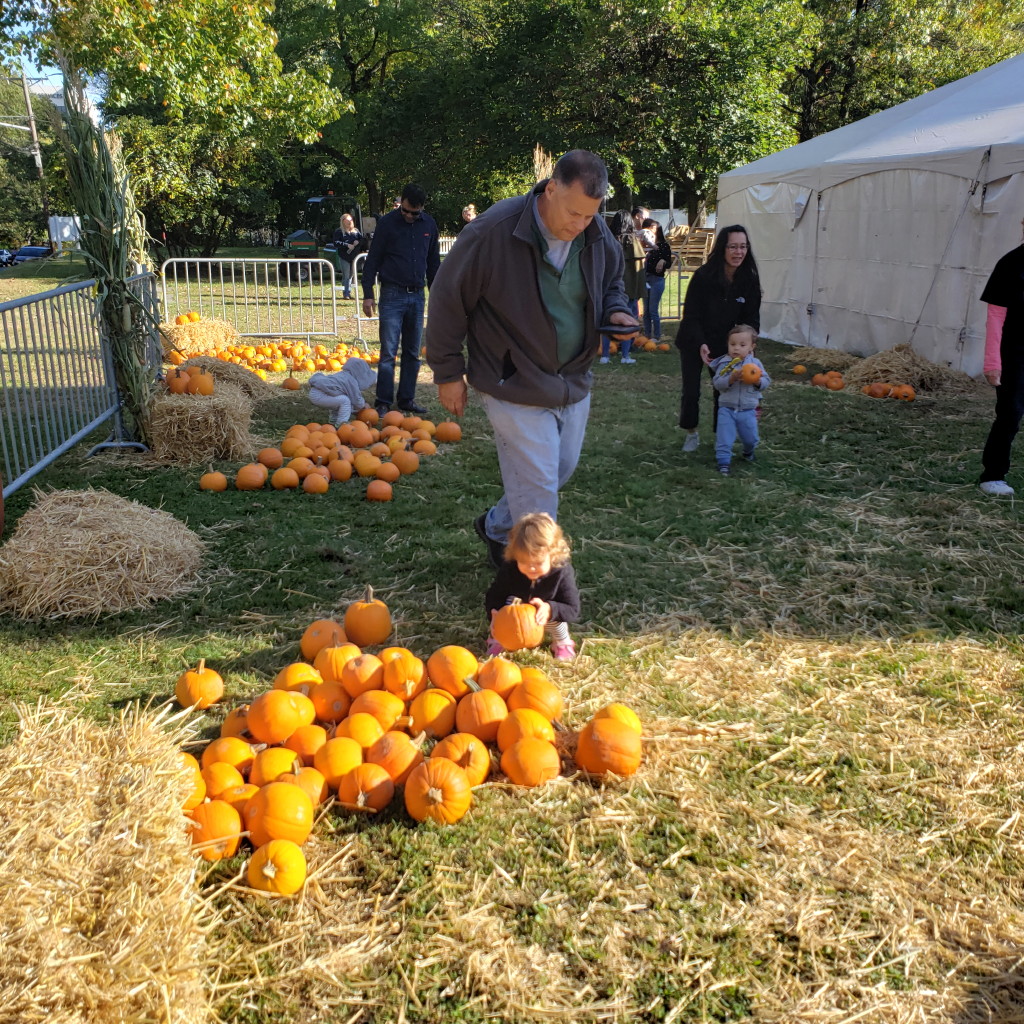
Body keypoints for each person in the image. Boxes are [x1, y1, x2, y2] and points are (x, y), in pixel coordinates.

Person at [424, 149, 636, 569]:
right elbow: (448, 299)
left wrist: (615, 309)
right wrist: (448, 372)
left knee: (559, 468)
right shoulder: (493, 231)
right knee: (539, 491)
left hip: (570, 378)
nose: (579, 226)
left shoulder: (596, 234)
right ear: (551, 188)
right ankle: (540, 585)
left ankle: (497, 526)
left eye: (589, 216)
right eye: (573, 213)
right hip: (511, 377)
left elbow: (613, 279)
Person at [676, 224, 761, 453]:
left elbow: (751, 319)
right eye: (732, 246)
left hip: (728, 344)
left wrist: (746, 344)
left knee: (725, 390)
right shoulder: (704, 277)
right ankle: (691, 432)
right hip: (695, 339)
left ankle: (722, 435)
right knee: (691, 390)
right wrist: (700, 343)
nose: (738, 252)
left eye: (743, 247)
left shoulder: (749, 280)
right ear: (723, 248)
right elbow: (691, 315)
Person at [361, 183, 440, 416]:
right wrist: (368, 294)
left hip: (417, 294)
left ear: (422, 209)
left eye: (414, 213)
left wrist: (436, 293)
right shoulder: (387, 223)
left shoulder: (429, 225)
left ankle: (406, 398)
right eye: (405, 210)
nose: (408, 215)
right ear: (401, 203)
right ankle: (383, 401)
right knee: (388, 352)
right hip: (392, 293)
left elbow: (433, 263)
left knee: (412, 351)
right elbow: (373, 259)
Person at [485, 512, 580, 661]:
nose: (531, 569)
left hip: (544, 616)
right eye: (524, 563)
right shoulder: (510, 568)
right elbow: (495, 594)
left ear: (553, 555)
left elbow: (572, 609)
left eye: (538, 563)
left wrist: (550, 609)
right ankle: (500, 640)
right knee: (508, 604)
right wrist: (495, 614)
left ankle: (562, 643)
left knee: (557, 620)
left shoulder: (562, 573)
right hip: (518, 613)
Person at [978, 215, 1024, 496]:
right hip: (1015, 353)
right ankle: (992, 475)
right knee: (1010, 414)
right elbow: (995, 316)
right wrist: (993, 362)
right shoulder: (1010, 264)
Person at [705, 325, 770, 475]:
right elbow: (717, 383)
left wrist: (756, 381)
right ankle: (723, 463)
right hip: (726, 408)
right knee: (724, 438)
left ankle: (748, 451)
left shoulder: (756, 364)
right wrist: (731, 379)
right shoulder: (725, 365)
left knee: (751, 438)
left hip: (747, 409)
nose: (736, 349)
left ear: (751, 347)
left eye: (742, 345)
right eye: (732, 344)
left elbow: (766, 382)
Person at [599, 210, 645, 365]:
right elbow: (639, 268)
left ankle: (605, 355)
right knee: (628, 322)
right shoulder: (633, 241)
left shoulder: (608, 240)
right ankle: (625, 355)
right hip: (629, 289)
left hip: (611, 289)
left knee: (609, 321)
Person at [306, 356, 377, 427]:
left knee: (338, 401)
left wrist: (354, 410)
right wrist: (363, 405)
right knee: (345, 401)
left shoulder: (343, 375)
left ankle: (333, 421)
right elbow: (356, 399)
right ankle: (341, 425)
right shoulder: (351, 381)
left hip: (316, 392)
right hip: (319, 395)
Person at [642, 218, 673, 342]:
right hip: (645, 278)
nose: (651, 231)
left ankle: (657, 335)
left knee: (653, 309)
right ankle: (647, 334)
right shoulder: (645, 245)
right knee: (646, 311)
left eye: (654, 228)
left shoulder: (663, 245)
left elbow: (669, 262)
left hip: (657, 279)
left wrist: (663, 261)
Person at [331, 213, 363, 300]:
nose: (349, 222)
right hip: (344, 256)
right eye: (347, 220)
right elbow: (336, 242)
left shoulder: (356, 231)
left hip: (354, 257)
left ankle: (348, 291)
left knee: (351, 275)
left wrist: (357, 242)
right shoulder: (339, 231)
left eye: (351, 220)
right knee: (346, 275)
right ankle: (346, 294)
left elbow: (362, 240)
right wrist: (346, 245)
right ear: (343, 221)